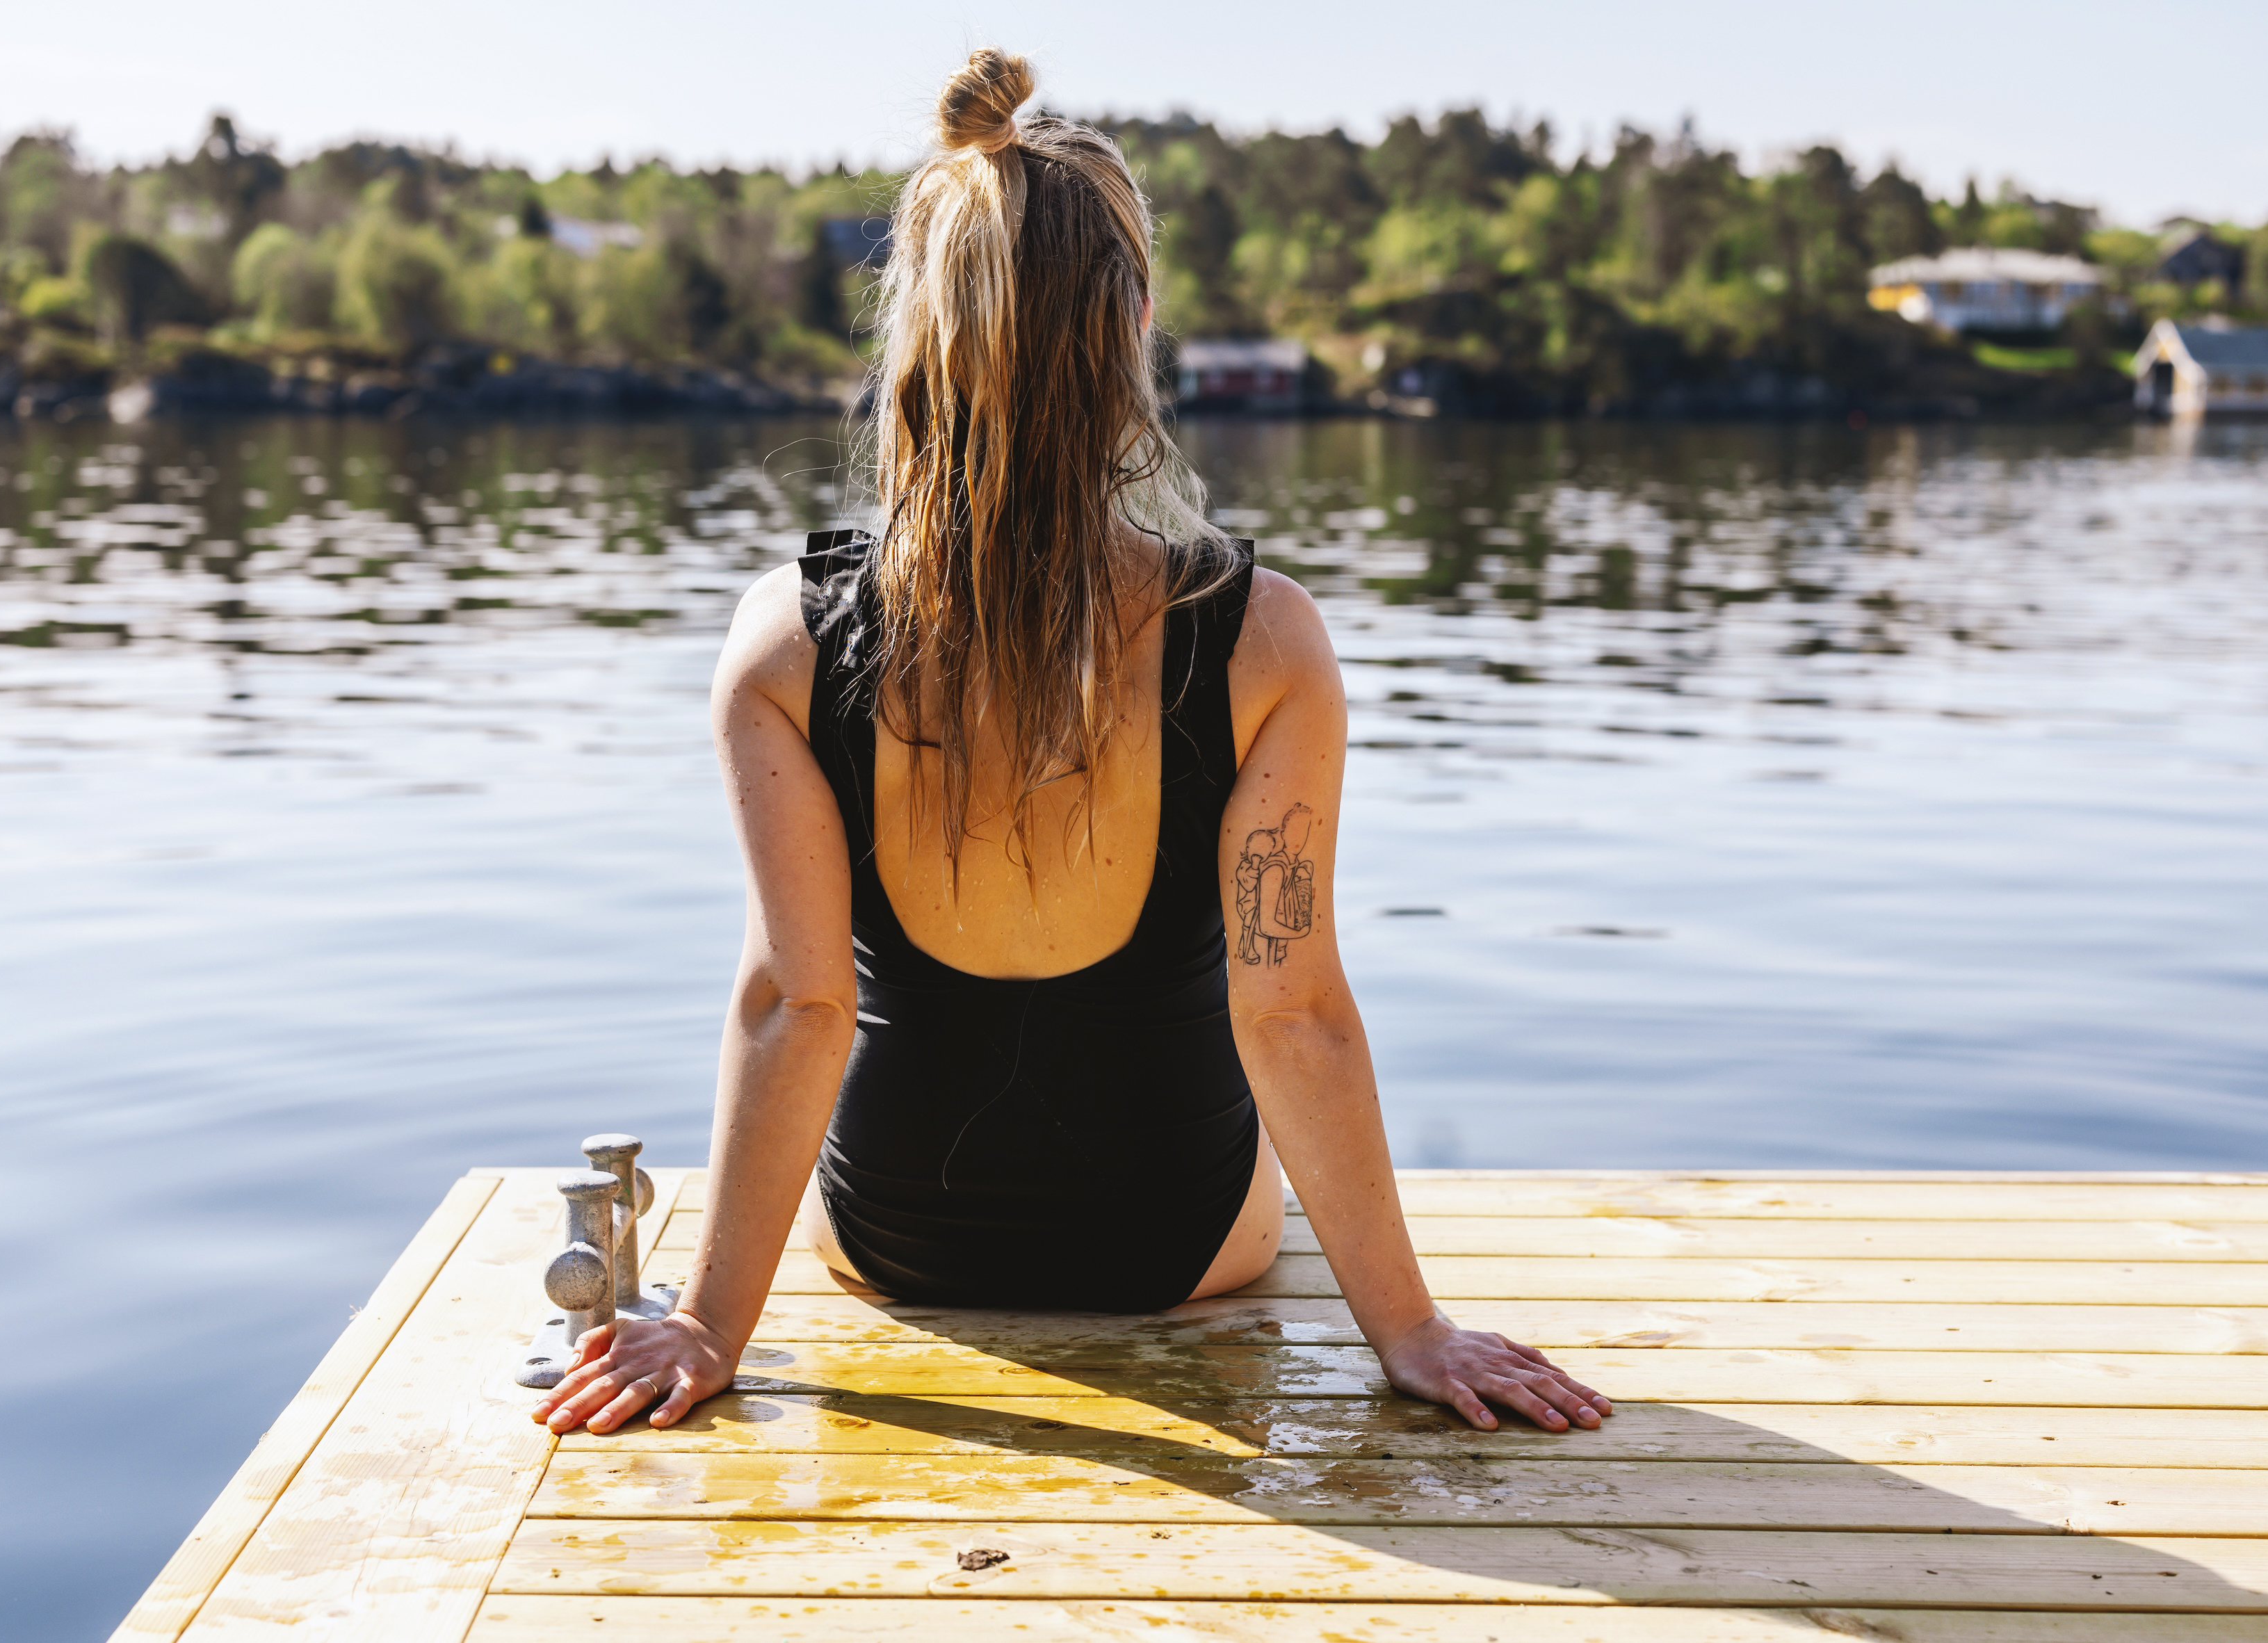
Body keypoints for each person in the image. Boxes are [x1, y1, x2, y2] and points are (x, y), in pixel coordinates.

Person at [534, 48, 1609, 1441]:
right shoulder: (1260, 638)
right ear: (1135, 324)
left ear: (913, 325)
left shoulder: (781, 640)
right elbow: (1289, 1014)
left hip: (895, 1242)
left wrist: (703, 1324)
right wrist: (1407, 1329)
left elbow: (788, 1008)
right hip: (1171, 1249)